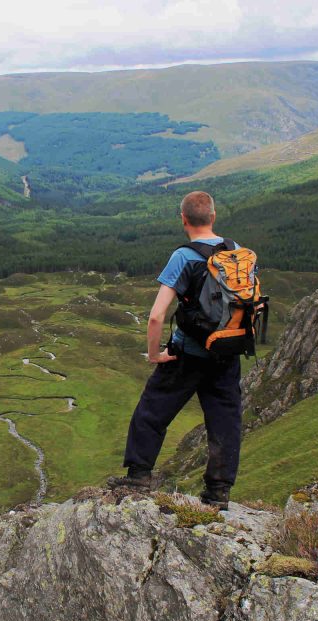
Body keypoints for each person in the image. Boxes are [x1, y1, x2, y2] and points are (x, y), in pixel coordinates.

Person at [106, 191, 242, 510]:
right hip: (226, 353)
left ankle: (139, 477)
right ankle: (218, 492)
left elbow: (156, 316)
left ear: (183, 219)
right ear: (214, 215)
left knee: (152, 411)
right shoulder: (238, 252)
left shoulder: (183, 256)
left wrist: (155, 354)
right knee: (225, 421)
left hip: (187, 353)